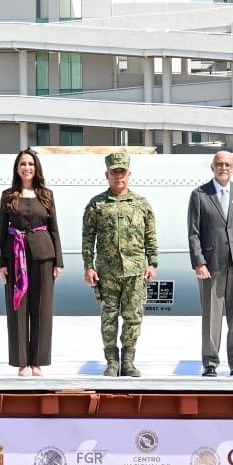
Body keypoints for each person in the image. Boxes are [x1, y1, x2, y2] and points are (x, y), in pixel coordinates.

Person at [81, 152, 157, 377]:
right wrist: (89, 266)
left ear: (129, 174)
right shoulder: (97, 205)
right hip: (107, 272)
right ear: (107, 174)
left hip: (135, 271)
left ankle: (128, 361)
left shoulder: (141, 204)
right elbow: (88, 238)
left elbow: (150, 236)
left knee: (133, 317)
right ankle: (112, 362)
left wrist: (152, 262)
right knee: (109, 318)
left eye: (122, 172)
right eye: (114, 172)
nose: (118, 176)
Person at [187, 151, 233, 378]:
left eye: (228, 164)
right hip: (211, 265)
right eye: (219, 164)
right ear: (212, 167)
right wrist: (199, 262)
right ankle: (210, 363)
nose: (223, 168)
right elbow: (194, 233)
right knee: (211, 316)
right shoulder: (200, 195)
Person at [0, 149, 63, 377]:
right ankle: (21, 362)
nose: (27, 168)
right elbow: (2, 230)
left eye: (31, 164)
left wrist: (58, 262)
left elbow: (54, 229)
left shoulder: (46, 195)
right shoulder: (8, 195)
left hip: (44, 255)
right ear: (17, 168)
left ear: (37, 168)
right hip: (15, 257)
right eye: (23, 164)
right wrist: (1, 263)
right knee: (18, 309)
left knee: (42, 309)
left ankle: (38, 361)